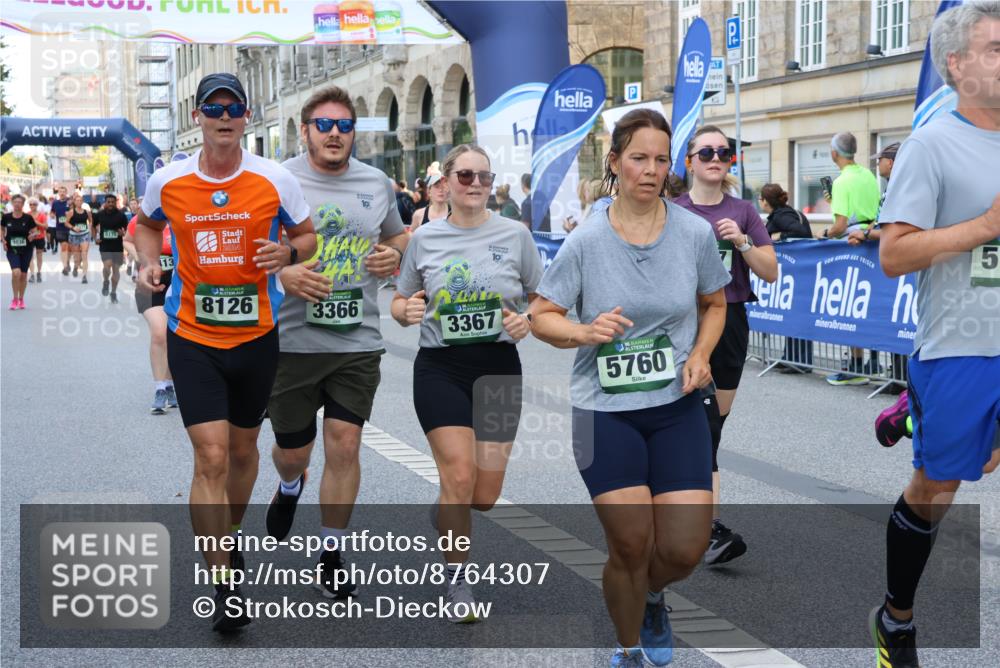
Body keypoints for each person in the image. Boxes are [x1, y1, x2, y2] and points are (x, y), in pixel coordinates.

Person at [529, 109, 730, 667]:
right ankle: (628, 649)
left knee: (684, 549)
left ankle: (654, 595)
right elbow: (541, 315)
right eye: (639, 158)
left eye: (661, 159)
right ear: (615, 163)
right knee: (630, 544)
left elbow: (715, 303)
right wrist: (582, 331)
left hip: (676, 407)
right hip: (606, 414)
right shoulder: (587, 241)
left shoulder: (693, 233)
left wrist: (700, 353)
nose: (651, 169)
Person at [133, 72, 316, 632]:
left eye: (233, 105)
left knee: (242, 455)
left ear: (244, 116)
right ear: (198, 118)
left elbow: (308, 239)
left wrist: (284, 251)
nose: (224, 115)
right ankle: (224, 581)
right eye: (213, 106)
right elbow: (145, 225)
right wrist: (147, 260)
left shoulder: (274, 179)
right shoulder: (168, 181)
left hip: (257, 336)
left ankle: (226, 537)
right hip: (193, 337)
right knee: (210, 457)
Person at [871, 4, 1000, 666]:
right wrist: (984, 226)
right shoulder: (930, 145)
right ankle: (896, 618)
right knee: (939, 488)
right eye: (997, 48)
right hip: (961, 348)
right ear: (958, 65)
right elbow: (894, 255)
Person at [263, 86, 409, 600]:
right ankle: (288, 485)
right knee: (292, 451)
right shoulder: (277, 181)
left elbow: (397, 238)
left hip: (357, 339)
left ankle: (331, 549)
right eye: (323, 125)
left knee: (345, 444)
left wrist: (391, 257)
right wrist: (285, 273)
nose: (334, 134)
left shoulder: (375, 183)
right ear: (304, 131)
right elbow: (249, 254)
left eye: (344, 126)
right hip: (292, 340)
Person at [392, 144, 542, 623]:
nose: (474, 184)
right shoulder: (426, 238)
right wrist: (405, 312)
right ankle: (458, 580)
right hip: (441, 367)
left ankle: (446, 510)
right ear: (447, 182)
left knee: (484, 496)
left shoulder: (516, 236)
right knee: (458, 476)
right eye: (464, 176)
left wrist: (528, 320)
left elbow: (543, 300)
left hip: (498, 367)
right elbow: (399, 301)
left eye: (483, 176)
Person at [673, 125, 778, 566]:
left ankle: (687, 512)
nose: (716, 157)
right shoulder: (672, 210)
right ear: (690, 161)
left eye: (724, 152)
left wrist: (742, 242)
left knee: (711, 427)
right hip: (683, 322)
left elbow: (770, 271)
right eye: (707, 152)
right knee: (701, 427)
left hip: (731, 320)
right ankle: (708, 529)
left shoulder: (744, 210)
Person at [820, 131, 882, 386]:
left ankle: (855, 365)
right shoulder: (868, 175)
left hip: (850, 245)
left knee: (850, 305)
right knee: (872, 303)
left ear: (834, 153)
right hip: (871, 240)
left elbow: (840, 224)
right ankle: (874, 360)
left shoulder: (842, 181)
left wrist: (822, 234)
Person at [124, 217, 178, 414]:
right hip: (150, 284)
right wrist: (142, 258)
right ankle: (160, 388)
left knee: (174, 335)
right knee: (159, 332)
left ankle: (170, 383)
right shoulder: (144, 218)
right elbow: (128, 240)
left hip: (180, 284)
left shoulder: (183, 214)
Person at [759, 183, 813, 373]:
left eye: (760, 198)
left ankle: (800, 361)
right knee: (791, 314)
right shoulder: (783, 213)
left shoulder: (783, 215)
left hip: (798, 270)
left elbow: (802, 232)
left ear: (766, 201)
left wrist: (779, 235)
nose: (759, 201)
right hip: (793, 270)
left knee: (798, 313)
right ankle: (789, 357)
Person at [2, 194, 36, 309]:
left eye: (19, 202)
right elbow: (1, 228)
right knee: (16, 272)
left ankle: (21, 299)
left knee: (23, 275)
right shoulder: (6, 217)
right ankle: (14, 299)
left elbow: (34, 231)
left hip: (26, 249)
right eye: (15, 202)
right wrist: (2, 239)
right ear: (12, 203)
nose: (17, 204)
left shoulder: (28, 218)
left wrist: (32, 235)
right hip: (12, 249)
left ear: (23, 204)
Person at [94, 193, 128, 303]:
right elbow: (93, 226)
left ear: (115, 203)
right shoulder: (100, 214)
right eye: (108, 202)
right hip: (105, 245)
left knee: (116, 269)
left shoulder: (121, 215)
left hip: (117, 246)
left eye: (112, 202)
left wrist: (123, 234)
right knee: (107, 265)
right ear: (105, 202)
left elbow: (127, 231)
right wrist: (95, 238)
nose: (110, 204)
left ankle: (113, 292)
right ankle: (105, 281)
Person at [66, 193, 93, 283]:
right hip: (74, 235)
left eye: (80, 200)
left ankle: (84, 276)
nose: (79, 202)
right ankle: (76, 267)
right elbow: (66, 223)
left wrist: (89, 228)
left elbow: (90, 220)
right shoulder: (71, 212)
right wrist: (73, 227)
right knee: (77, 257)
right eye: (77, 201)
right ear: (74, 202)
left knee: (84, 254)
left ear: (82, 202)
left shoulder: (86, 211)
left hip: (84, 234)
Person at [50, 187, 72, 271]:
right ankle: (65, 266)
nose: (62, 193)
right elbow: (52, 211)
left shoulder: (70, 202)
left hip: (70, 228)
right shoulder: (55, 203)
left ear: (66, 192)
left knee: (69, 248)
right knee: (63, 247)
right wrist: (52, 215)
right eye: (60, 192)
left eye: (63, 192)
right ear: (58, 193)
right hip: (60, 228)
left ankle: (68, 261)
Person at [27, 198, 47, 283]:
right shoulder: (26, 215)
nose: (32, 206)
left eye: (34, 204)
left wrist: (36, 222)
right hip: (30, 237)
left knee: (39, 256)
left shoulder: (42, 215)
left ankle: (39, 273)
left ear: (37, 205)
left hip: (40, 237)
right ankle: (32, 274)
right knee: (30, 257)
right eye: (30, 204)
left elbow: (46, 226)